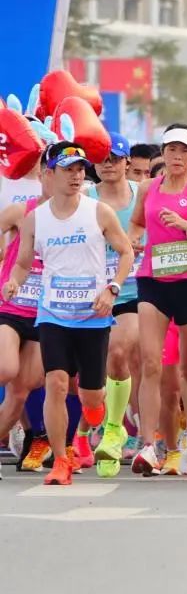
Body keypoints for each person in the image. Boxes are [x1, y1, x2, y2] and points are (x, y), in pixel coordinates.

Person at [2, 142, 133, 485]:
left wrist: (112, 288)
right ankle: (61, 460)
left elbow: (126, 252)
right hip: (53, 314)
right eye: (68, 170)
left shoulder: (98, 212)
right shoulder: (35, 218)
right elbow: (23, 263)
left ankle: (101, 420)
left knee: (91, 396)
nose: (76, 176)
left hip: (93, 315)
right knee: (56, 383)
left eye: (79, 170)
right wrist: (14, 281)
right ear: (49, 174)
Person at [128, 125, 187, 476]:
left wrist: (185, 224)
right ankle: (149, 446)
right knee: (150, 362)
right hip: (153, 280)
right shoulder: (148, 188)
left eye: (184, 151)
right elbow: (136, 224)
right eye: (172, 150)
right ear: (163, 153)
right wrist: (134, 240)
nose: (177, 156)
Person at [84, 134, 141, 477]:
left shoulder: (141, 194)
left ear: (127, 161)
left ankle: (113, 430)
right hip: (90, 295)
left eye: (115, 158)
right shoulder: (84, 197)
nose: (108, 164)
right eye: (102, 158)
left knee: (119, 353)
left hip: (133, 292)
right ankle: (86, 431)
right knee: (89, 371)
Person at [0, 152, 48, 479]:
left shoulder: (84, 216)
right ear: (45, 175)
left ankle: (27, 435)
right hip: (11, 305)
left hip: (46, 312)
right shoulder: (23, 211)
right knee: (6, 368)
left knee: (21, 391)